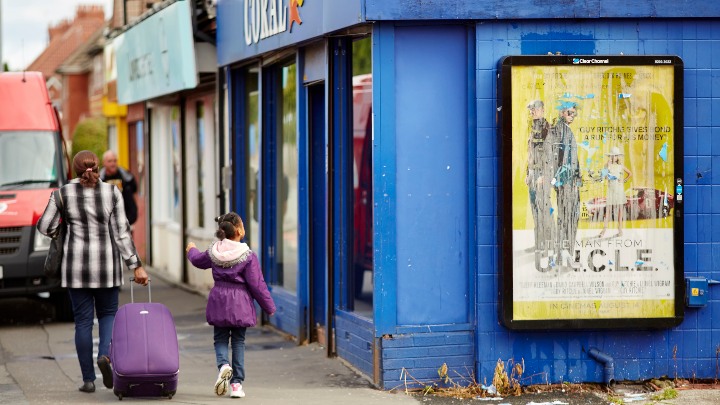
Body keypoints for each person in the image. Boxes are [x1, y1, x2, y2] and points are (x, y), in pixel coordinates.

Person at [37, 150, 149, 394]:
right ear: (97, 167)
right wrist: (135, 265)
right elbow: (121, 233)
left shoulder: (62, 193)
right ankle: (105, 356)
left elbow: (44, 226)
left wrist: (62, 232)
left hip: (75, 269)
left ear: (75, 169)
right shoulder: (112, 192)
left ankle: (88, 379)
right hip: (106, 267)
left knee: (83, 322)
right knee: (108, 314)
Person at [185, 212, 276, 399]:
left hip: (219, 299)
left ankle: (224, 366)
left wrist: (191, 249)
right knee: (238, 342)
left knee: (220, 338)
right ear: (239, 230)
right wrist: (269, 307)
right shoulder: (248, 256)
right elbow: (257, 285)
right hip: (240, 302)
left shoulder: (213, 251)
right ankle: (236, 384)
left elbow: (197, 260)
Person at [525, 100, 555, 270]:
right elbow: (530, 152)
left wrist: (544, 174)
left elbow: (549, 154)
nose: (532, 112)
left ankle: (548, 245)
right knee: (535, 211)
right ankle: (539, 243)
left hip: (542, 175)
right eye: (531, 110)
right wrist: (527, 173)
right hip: (533, 174)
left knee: (544, 210)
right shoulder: (532, 127)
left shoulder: (546, 128)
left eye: (534, 110)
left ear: (542, 110)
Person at [551, 102, 582, 268]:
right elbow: (562, 160)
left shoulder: (562, 130)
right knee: (569, 217)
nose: (572, 116)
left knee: (566, 217)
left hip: (567, 182)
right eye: (570, 113)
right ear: (562, 112)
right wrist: (562, 180)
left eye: (574, 114)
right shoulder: (561, 131)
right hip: (567, 183)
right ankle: (566, 253)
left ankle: (562, 253)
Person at [597, 146, 632, 238]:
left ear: (617, 157)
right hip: (611, 189)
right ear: (610, 156)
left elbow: (630, 173)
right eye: (612, 156)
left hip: (619, 189)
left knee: (620, 210)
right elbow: (604, 177)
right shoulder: (606, 165)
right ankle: (604, 230)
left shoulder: (620, 166)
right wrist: (607, 167)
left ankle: (620, 229)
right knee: (608, 210)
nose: (613, 158)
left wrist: (623, 180)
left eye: (615, 156)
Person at [100, 150, 138, 226]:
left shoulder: (126, 176)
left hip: (127, 221)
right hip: (107, 224)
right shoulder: (99, 178)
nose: (113, 164)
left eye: (115, 161)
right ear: (104, 162)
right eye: (110, 161)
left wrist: (130, 218)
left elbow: (134, 189)